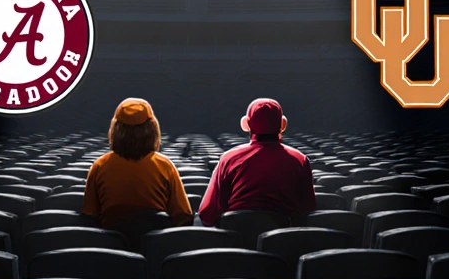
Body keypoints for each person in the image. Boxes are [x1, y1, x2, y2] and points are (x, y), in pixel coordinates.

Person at [198, 97, 316, 227]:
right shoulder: (300, 160)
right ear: (282, 124)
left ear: (246, 125)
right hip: (284, 243)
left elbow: (207, 213)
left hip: (236, 238)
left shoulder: (229, 158)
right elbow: (308, 211)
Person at [83, 97, 193, 229]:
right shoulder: (164, 166)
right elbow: (183, 215)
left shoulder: (100, 166)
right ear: (152, 129)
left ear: (115, 129)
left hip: (111, 244)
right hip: (156, 246)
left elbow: (89, 216)